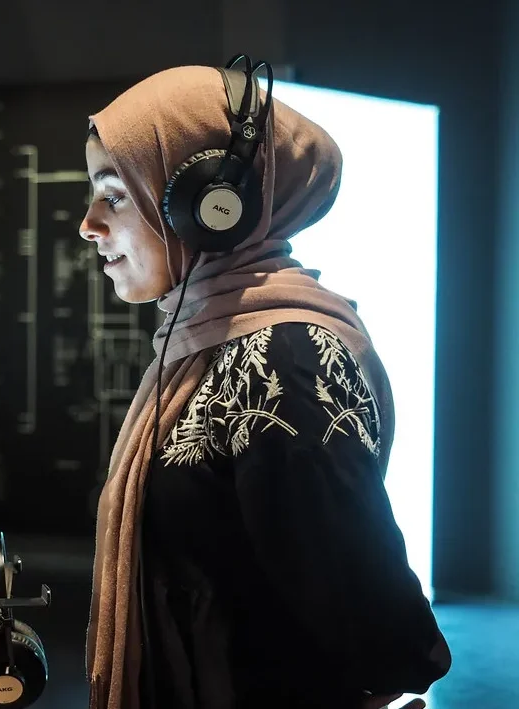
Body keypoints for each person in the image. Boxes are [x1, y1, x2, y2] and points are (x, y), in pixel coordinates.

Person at [82, 60, 450, 709]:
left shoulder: (284, 359)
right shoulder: (204, 342)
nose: (89, 223)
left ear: (209, 206)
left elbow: (376, 618)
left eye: (114, 193)